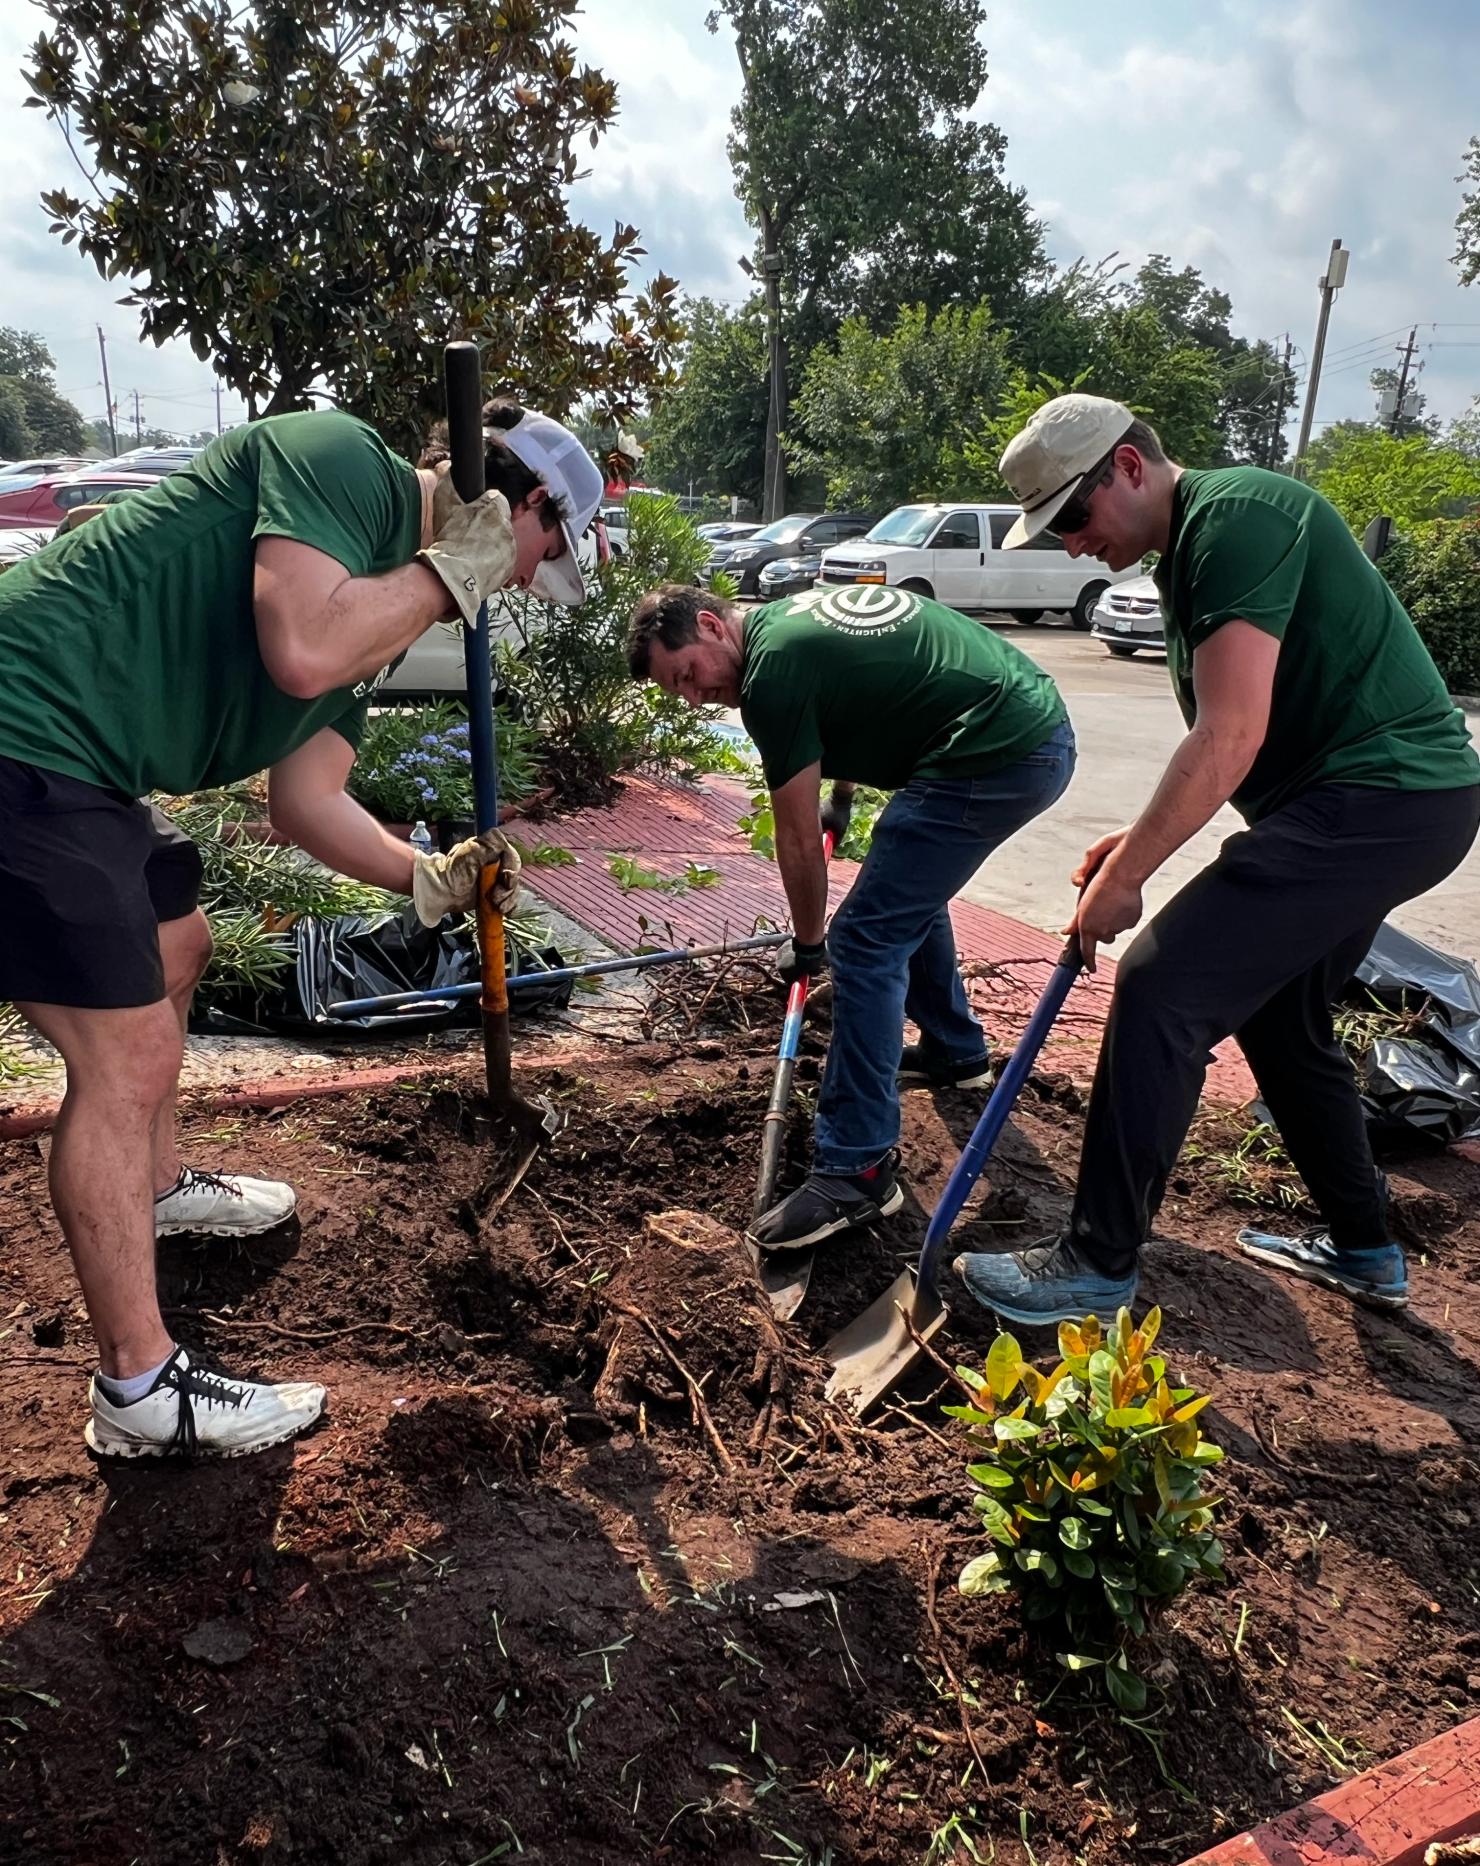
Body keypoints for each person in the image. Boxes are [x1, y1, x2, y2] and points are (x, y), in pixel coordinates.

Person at [0, 395, 602, 1458]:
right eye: (535, 556)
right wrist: (444, 574)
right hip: (24, 732)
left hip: (84, 766)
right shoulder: (342, 463)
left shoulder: (387, 605)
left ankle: (157, 1185)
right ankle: (140, 1393)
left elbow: (306, 801)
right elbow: (302, 651)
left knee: (178, 944)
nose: (516, 583)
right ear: (525, 504)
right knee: (125, 1052)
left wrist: (431, 879)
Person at [956, 393, 1480, 1324]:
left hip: (1384, 796)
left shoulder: (1236, 513)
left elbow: (1231, 730)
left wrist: (1131, 878)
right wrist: (1139, 841)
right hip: (1380, 807)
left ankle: (1094, 1263)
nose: (1071, 545)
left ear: (1128, 465)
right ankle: (1366, 1248)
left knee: (1163, 985)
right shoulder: (1189, 555)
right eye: (1053, 532)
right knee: (1281, 1024)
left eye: (1072, 516)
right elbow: (1231, 740)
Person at [625, 580, 1075, 1247]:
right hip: (1022, 724)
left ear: (715, 628)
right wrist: (844, 795)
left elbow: (798, 839)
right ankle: (956, 1052)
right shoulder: (785, 626)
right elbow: (860, 695)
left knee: (865, 942)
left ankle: (856, 1169)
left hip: (1000, 746)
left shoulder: (771, 679)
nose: (693, 698)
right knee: (903, 890)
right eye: (677, 691)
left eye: (687, 674)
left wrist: (812, 946)